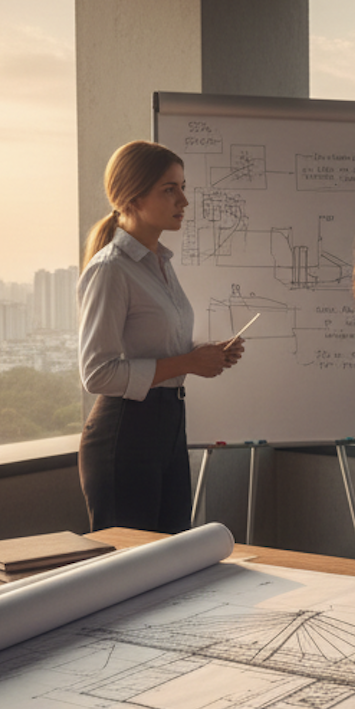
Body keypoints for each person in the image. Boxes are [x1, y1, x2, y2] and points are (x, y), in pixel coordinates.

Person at [77, 140, 246, 534]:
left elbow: (157, 348)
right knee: (133, 566)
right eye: (170, 189)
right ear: (132, 198)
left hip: (168, 427)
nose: (183, 200)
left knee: (174, 557)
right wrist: (188, 363)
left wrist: (203, 355)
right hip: (126, 435)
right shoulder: (111, 270)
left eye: (182, 187)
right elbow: (97, 374)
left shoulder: (160, 264)